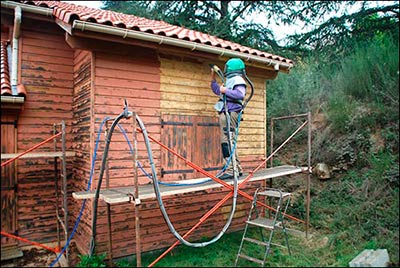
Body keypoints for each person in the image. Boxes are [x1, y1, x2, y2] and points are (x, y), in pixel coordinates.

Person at [210, 58, 246, 180]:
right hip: (226, 112)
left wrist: (225, 90)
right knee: (229, 140)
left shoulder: (237, 79)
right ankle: (237, 168)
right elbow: (216, 90)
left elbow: (240, 94)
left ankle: (231, 169)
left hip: (230, 113)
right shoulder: (229, 81)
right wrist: (213, 76)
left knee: (227, 141)